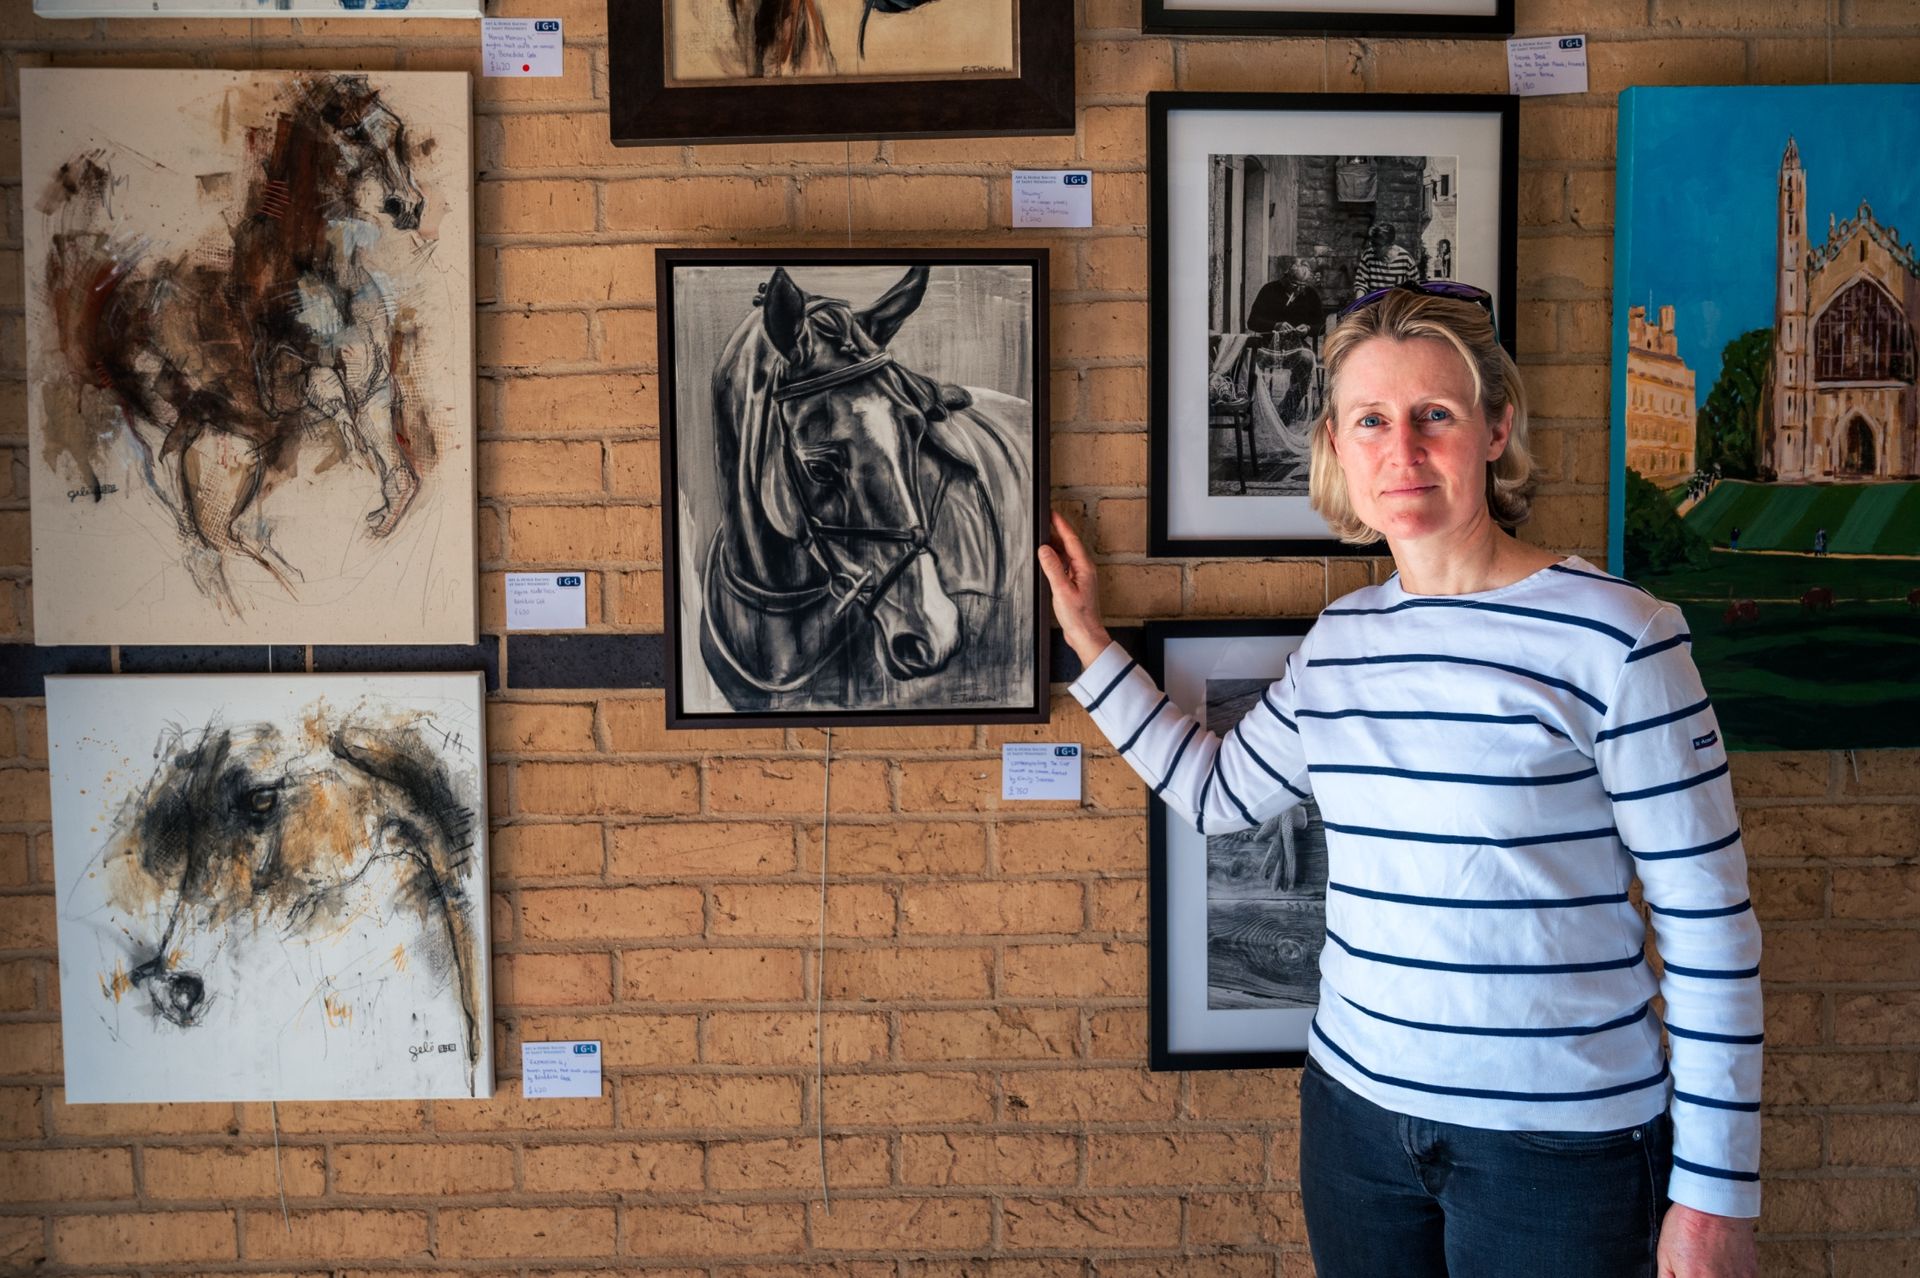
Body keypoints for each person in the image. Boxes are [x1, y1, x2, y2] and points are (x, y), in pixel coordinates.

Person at [1039, 284, 1761, 1278]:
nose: (1404, 453)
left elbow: (1710, 924)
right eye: (1371, 420)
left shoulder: (1620, 636)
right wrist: (1086, 641)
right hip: (1358, 1129)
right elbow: (1215, 794)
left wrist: (1716, 1196)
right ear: (1337, 442)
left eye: (1437, 417)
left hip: (1561, 1150)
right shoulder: (1342, 644)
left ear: (1497, 426)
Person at [1244, 258, 1326, 429]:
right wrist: (1276, 325)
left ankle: (1287, 411)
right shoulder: (1269, 290)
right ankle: (1255, 410)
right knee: (1250, 365)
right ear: (1285, 278)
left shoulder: (1309, 294)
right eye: (1294, 285)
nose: (1298, 289)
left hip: (1294, 344)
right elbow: (1252, 322)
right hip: (1267, 345)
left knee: (1306, 361)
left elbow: (1321, 325)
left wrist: (1308, 328)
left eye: (1302, 286)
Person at [1352, 222, 1419, 299]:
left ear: (1389, 245)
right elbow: (1361, 285)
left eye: (1377, 245)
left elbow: (1415, 290)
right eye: (1372, 243)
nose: (1373, 248)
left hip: (1397, 307)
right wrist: (1359, 304)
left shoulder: (1405, 259)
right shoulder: (1368, 256)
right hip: (1373, 306)